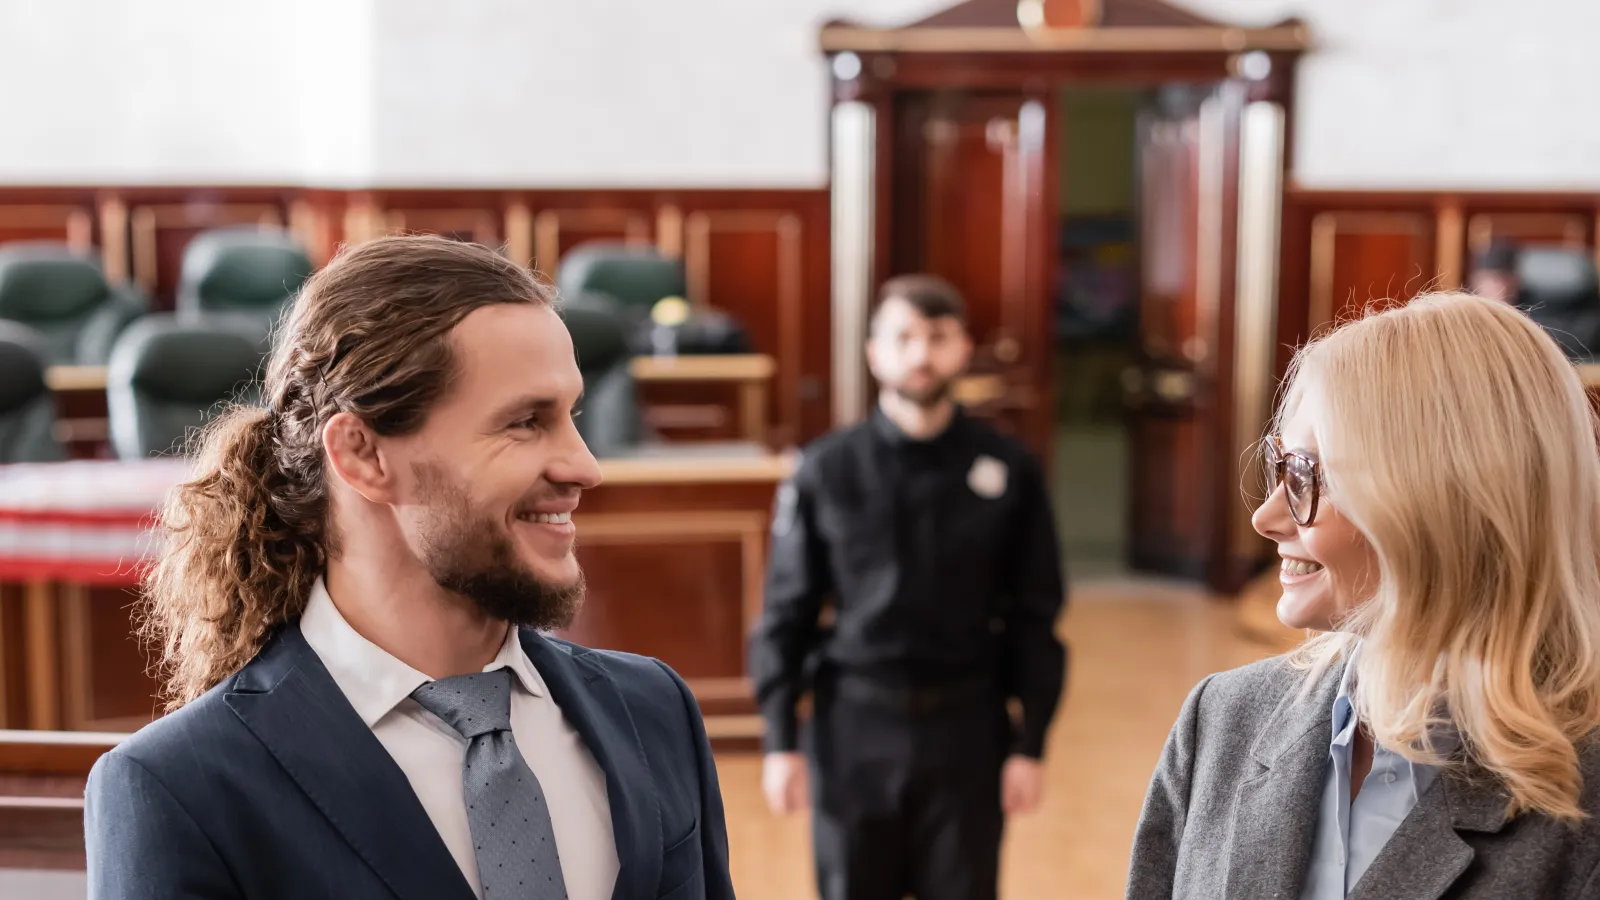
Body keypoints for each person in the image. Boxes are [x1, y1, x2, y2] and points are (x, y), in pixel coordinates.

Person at [85, 236, 735, 900]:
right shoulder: (179, 788)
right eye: (524, 422)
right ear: (363, 454)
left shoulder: (655, 711)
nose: (583, 465)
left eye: (570, 415)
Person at [1126, 292, 1600, 899]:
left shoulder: (1583, 798)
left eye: (1306, 479)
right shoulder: (1221, 720)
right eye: (1281, 470)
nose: (1266, 519)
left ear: (1442, 501)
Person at [750, 274, 1068, 900]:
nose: (921, 355)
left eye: (938, 337)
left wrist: (1031, 745)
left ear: (962, 347)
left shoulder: (1009, 469)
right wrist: (781, 741)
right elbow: (785, 614)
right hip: (854, 726)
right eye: (904, 338)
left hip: (968, 726)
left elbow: (1036, 615)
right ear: (874, 353)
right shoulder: (825, 469)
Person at [1467, 237, 1521, 303]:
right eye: (1494, 281)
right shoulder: (1466, 310)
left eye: (1508, 280)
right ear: (1476, 282)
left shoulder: (1530, 308)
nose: (1503, 289)